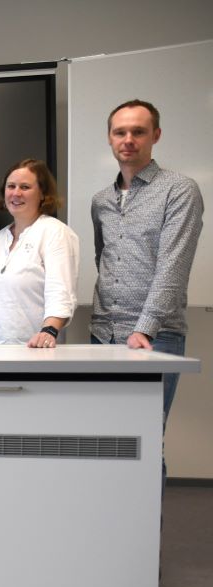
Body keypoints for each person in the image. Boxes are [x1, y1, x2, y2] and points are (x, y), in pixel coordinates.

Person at [90, 99, 204, 425]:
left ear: (156, 135)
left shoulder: (179, 190)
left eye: (138, 131)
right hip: (103, 335)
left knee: (146, 440)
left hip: (154, 336)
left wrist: (145, 328)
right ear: (110, 138)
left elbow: (174, 265)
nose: (128, 139)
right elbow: (104, 260)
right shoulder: (101, 200)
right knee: (103, 436)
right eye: (120, 132)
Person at [0, 159, 80, 347]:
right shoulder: (0, 238)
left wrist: (49, 331)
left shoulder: (55, 232)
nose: (16, 193)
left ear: (42, 193)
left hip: (34, 350)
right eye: (11, 186)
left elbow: (61, 291)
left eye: (25, 187)